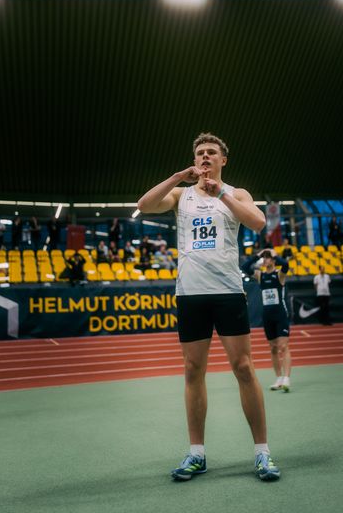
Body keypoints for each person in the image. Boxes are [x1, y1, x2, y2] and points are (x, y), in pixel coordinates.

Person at [138, 132, 280, 482]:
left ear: (222, 160)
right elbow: (144, 205)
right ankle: (196, 454)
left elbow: (259, 223)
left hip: (228, 292)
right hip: (190, 294)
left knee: (244, 367)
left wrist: (223, 195)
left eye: (211, 152)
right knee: (192, 371)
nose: (204, 157)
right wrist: (175, 177)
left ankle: (262, 453)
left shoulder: (237, 193)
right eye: (200, 153)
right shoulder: (179, 195)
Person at [242, 249, 291, 392]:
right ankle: (279, 378)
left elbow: (286, 266)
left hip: (280, 314)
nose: (265, 260)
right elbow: (244, 268)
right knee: (273, 348)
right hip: (267, 316)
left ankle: (287, 378)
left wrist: (275, 255)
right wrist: (257, 255)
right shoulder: (260, 275)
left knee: (283, 346)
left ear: (274, 260)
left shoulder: (279, 275)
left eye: (268, 258)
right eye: (264, 258)